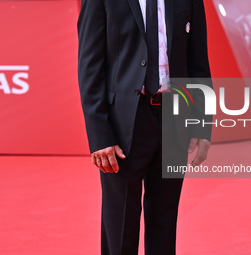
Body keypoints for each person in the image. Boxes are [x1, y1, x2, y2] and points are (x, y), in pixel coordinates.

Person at [77, 0, 212, 254]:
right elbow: (89, 67)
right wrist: (100, 135)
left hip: (175, 118)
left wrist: (202, 125)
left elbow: (199, 62)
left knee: (164, 220)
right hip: (124, 124)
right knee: (120, 226)